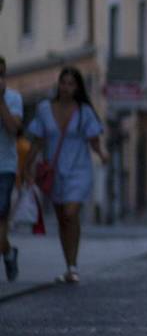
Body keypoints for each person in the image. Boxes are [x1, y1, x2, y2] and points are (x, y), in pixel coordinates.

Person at [24, 67, 107, 284]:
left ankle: (73, 265)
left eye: (71, 84)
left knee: (70, 213)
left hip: (79, 170)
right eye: (63, 82)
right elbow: (38, 140)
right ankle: (69, 265)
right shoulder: (44, 109)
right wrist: (26, 166)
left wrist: (102, 154)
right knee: (62, 219)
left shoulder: (84, 111)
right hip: (55, 172)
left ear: (78, 87)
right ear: (58, 85)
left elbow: (94, 140)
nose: (67, 88)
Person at [0, 56, 24, 282]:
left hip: (4, 168)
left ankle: (6, 251)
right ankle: (8, 252)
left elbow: (13, 129)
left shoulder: (14, 99)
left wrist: (0, 102)